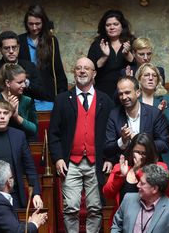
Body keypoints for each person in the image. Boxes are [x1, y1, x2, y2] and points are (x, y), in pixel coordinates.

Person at [48, 57, 115, 233]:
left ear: (94, 73)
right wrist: (58, 158)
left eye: (87, 68)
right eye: (78, 68)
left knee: (95, 208)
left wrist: (109, 157)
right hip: (71, 163)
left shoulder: (105, 100)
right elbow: (53, 133)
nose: (82, 71)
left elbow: (111, 132)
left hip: (97, 162)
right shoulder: (62, 99)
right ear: (74, 72)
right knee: (70, 208)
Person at [104, 76, 169, 168]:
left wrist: (141, 143)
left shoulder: (154, 113)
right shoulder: (114, 115)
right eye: (121, 94)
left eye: (127, 92)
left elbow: (164, 144)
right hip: (125, 167)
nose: (124, 97)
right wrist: (123, 141)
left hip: (149, 166)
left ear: (138, 92)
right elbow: (108, 148)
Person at [103, 133, 168, 226]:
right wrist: (121, 175)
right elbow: (107, 193)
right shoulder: (120, 167)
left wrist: (137, 170)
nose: (140, 156)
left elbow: (154, 191)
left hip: (149, 221)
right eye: (137, 152)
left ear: (150, 153)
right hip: (123, 221)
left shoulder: (160, 167)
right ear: (131, 151)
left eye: (144, 153)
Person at [111, 164, 169, 233]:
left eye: (142, 183)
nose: (138, 185)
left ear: (154, 189)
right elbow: (117, 225)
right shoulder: (128, 199)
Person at [18, 4, 68, 111]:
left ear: (43, 23)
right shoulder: (20, 41)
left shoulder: (51, 41)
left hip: (47, 96)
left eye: (38, 24)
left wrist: (62, 97)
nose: (34, 27)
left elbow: (58, 71)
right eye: (30, 24)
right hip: (26, 95)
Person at [0, 160, 47, 233]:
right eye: (12, 177)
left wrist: (29, 223)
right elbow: (16, 231)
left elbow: (11, 227)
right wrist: (34, 223)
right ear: (9, 182)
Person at [88, 9, 136, 99]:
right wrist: (104, 56)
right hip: (102, 92)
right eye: (108, 25)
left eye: (115, 24)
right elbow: (90, 69)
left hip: (127, 92)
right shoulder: (97, 44)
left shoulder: (132, 42)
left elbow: (141, 66)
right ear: (104, 28)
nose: (112, 27)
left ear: (122, 26)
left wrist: (128, 55)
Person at [0, 31, 47, 101]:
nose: (11, 51)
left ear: (18, 47)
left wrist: (25, 82)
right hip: (4, 109)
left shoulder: (30, 66)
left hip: (27, 109)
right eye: (6, 48)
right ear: (0, 50)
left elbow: (42, 94)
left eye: (14, 47)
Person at [0, 63, 38, 141]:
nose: (24, 86)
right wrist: (9, 113)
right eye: (19, 82)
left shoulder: (27, 101)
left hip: (21, 144)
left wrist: (16, 117)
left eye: (24, 82)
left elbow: (34, 130)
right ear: (8, 83)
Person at [135, 63, 169, 134]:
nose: (151, 78)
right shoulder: (135, 100)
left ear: (157, 81)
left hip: (159, 142)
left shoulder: (167, 100)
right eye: (146, 75)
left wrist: (162, 113)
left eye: (154, 76)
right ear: (139, 79)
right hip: (138, 141)